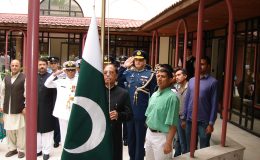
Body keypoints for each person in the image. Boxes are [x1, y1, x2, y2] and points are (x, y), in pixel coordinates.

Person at [118, 50, 157, 160]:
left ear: (145, 61)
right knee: (130, 140)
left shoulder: (150, 75)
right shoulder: (128, 73)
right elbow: (118, 81)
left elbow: (154, 95)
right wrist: (123, 67)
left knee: (140, 140)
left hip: (141, 113)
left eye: (140, 60)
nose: (138, 62)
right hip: (129, 113)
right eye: (136, 60)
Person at [183, 56, 218, 151]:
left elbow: (214, 104)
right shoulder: (191, 80)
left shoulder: (213, 82)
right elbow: (187, 100)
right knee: (189, 148)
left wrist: (211, 123)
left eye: (202, 64)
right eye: (197, 64)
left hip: (204, 122)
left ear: (208, 66)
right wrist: (184, 118)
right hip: (190, 120)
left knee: (204, 149)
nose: (199, 66)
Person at [145, 65, 179, 160]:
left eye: (163, 76)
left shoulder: (172, 98)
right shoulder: (154, 94)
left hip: (162, 137)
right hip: (150, 134)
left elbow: (173, 124)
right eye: (158, 76)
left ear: (170, 80)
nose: (159, 79)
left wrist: (168, 143)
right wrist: (147, 136)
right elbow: (149, 116)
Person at [44, 61, 78, 146]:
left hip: (75, 111)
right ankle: (64, 151)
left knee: (75, 132)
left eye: (72, 70)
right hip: (63, 111)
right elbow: (46, 84)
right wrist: (55, 73)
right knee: (64, 132)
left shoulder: (80, 80)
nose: (70, 72)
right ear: (65, 71)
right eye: (68, 70)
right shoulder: (60, 81)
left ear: (75, 70)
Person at [103, 64, 133, 160]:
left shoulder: (123, 93)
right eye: (105, 73)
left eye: (111, 72)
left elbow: (129, 115)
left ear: (116, 76)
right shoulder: (96, 92)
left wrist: (118, 115)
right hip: (98, 133)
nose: (108, 75)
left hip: (114, 133)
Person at [0, 59, 26, 158]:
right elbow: (2, 93)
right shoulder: (6, 78)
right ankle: (12, 149)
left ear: (20, 67)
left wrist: (26, 106)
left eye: (16, 65)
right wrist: (1, 105)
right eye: (13, 65)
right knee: (9, 130)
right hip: (7, 109)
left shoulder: (24, 77)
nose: (14, 67)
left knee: (20, 130)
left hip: (19, 108)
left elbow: (27, 93)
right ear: (10, 66)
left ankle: (21, 150)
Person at [37, 58, 56, 160]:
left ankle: (46, 151)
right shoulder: (33, 76)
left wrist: (54, 109)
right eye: (40, 64)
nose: (42, 66)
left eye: (43, 64)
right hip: (35, 108)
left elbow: (55, 95)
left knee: (47, 131)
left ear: (47, 65)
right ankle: (38, 150)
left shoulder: (51, 77)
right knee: (36, 129)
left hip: (48, 108)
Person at [174, 68, 188, 157]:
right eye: (176, 75)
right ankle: (177, 155)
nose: (176, 77)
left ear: (185, 76)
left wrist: (184, 119)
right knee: (178, 138)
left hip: (186, 118)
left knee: (184, 140)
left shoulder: (190, 87)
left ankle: (184, 155)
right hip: (177, 117)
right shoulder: (177, 87)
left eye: (179, 75)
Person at [48, 56, 61, 148]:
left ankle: (56, 140)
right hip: (47, 99)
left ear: (58, 64)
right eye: (51, 63)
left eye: (55, 63)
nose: (53, 65)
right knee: (48, 120)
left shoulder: (62, 74)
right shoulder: (47, 74)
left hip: (58, 98)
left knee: (57, 121)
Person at [118, 55, 129, 146]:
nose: (123, 64)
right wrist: (123, 68)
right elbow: (117, 78)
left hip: (129, 99)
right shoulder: (121, 72)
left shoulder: (131, 72)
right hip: (120, 98)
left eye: (124, 62)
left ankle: (126, 138)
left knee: (127, 120)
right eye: (121, 63)